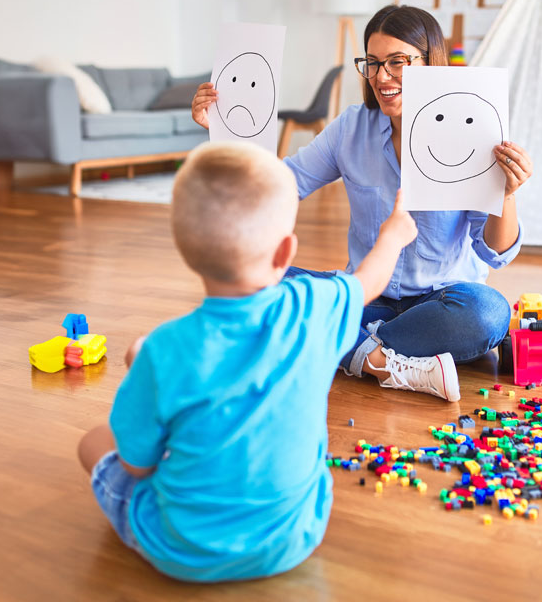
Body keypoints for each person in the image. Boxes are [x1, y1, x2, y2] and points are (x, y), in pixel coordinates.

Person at [77, 141, 418, 582]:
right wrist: (393, 234)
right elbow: (368, 281)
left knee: (93, 442)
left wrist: (149, 378)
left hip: (181, 550)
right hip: (294, 538)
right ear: (284, 254)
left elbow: (138, 467)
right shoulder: (315, 306)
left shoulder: (165, 349)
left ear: (185, 250)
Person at [192, 5, 534, 402]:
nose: (381, 77)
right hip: (365, 297)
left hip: (444, 304)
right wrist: (225, 135)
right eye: (371, 63)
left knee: (488, 313)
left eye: (397, 62)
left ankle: (339, 343)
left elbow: (493, 252)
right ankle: (380, 359)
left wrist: (506, 195)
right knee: (252, 277)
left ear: (430, 62)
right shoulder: (351, 127)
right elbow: (281, 185)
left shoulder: (473, 131)